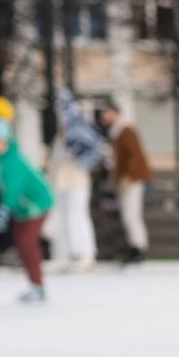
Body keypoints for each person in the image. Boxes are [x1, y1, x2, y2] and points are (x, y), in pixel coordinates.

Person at [0, 115, 52, 301]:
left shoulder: (14, 161)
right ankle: (34, 284)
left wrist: (4, 211)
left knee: (27, 243)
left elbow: (13, 190)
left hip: (36, 205)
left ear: (3, 141)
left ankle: (38, 286)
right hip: (20, 208)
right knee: (21, 243)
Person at [50, 95, 108, 271]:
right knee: (66, 217)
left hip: (76, 182)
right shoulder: (65, 132)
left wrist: (77, 156)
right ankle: (68, 253)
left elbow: (93, 151)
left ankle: (85, 253)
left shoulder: (79, 131)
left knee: (78, 216)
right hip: (63, 182)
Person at [109, 106, 152, 263]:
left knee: (131, 213)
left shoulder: (126, 130)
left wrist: (128, 177)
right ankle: (135, 245)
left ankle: (139, 246)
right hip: (126, 179)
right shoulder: (117, 131)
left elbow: (133, 155)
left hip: (131, 179)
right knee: (127, 214)